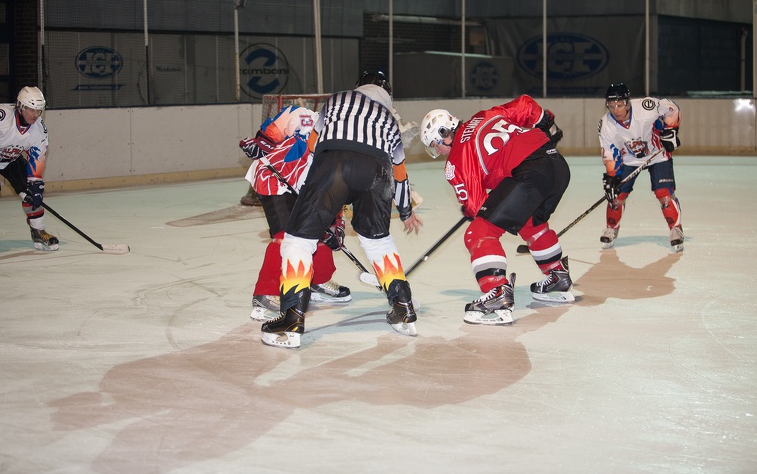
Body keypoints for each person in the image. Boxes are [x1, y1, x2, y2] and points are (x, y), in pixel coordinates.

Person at [261, 70, 423, 349]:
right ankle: (403, 310)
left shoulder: (337, 99)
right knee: (378, 241)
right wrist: (406, 211)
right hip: (377, 173)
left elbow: (312, 146)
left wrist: (310, 191)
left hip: (334, 164)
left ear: (359, 86)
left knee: (298, 240)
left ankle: (291, 318)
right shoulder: (389, 120)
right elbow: (399, 173)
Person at [419, 94, 574, 326]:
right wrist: (545, 122)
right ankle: (557, 275)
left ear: (444, 133)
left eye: (435, 144)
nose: (439, 151)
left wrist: (472, 211)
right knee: (531, 222)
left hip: (529, 173)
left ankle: (497, 292)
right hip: (556, 164)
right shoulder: (484, 115)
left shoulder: (456, 160)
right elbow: (525, 104)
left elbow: (477, 205)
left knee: (478, 234)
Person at [239, 105, 352, 322]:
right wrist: (262, 143)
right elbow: (278, 125)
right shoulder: (307, 119)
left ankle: (317, 279)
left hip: (305, 189)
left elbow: (336, 190)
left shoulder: (344, 152)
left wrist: (335, 223)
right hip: (274, 180)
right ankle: (265, 292)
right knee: (284, 238)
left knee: (318, 230)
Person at [0, 86, 58, 259]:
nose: (35, 115)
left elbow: (36, 157)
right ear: (21, 107)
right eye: (31, 109)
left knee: (31, 192)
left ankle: (38, 231)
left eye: (39, 110)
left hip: (10, 159)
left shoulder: (39, 130)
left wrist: (35, 182)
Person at [597, 83, 684, 252]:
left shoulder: (645, 107)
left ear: (628, 103)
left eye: (620, 105)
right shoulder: (606, 124)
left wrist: (671, 130)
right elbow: (609, 151)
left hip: (657, 154)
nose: (616, 110)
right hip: (629, 160)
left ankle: (676, 229)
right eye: (612, 105)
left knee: (663, 193)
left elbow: (671, 108)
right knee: (616, 195)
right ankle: (611, 228)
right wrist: (612, 176)